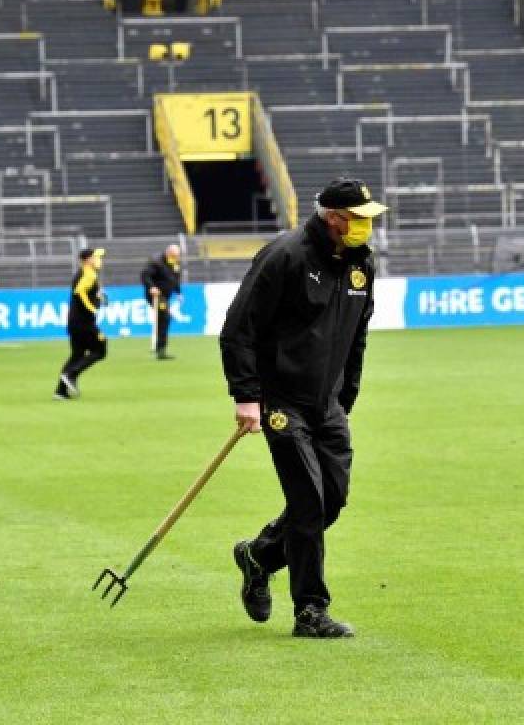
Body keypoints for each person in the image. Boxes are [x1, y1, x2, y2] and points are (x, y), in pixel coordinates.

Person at [220, 177, 386, 638]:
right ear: (334, 218)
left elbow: (358, 336)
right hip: (281, 402)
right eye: (359, 219)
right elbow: (239, 329)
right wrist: (247, 397)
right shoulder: (285, 255)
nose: (366, 228)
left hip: (328, 404)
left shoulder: (361, 265)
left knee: (332, 498)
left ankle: (260, 555)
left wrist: (345, 396)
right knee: (308, 502)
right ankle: (311, 611)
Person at [55, 248, 107, 400]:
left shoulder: (84, 273)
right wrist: (92, 307)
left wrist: (98, 298)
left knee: (77, 355)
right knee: (100, 350)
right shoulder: (89, 274)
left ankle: (60, 392)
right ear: (87, 260)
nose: (98, 260)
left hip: (74, 322)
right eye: (95, 257)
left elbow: (85, 292)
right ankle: (71, 375)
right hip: (84, 322)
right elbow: (80, 291)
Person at [140, 244, 183, 360]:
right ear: (169, 252)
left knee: (163, 319)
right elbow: (145, 275)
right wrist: (151, 287)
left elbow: (175, 279)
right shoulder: (156, 261)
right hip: (156, 295)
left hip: (166, 295)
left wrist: (179, 292)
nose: (177, 257)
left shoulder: (175, 262)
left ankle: (159, 347)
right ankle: (161, 350)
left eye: (178, 255)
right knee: (165, 317)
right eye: (175, 255)